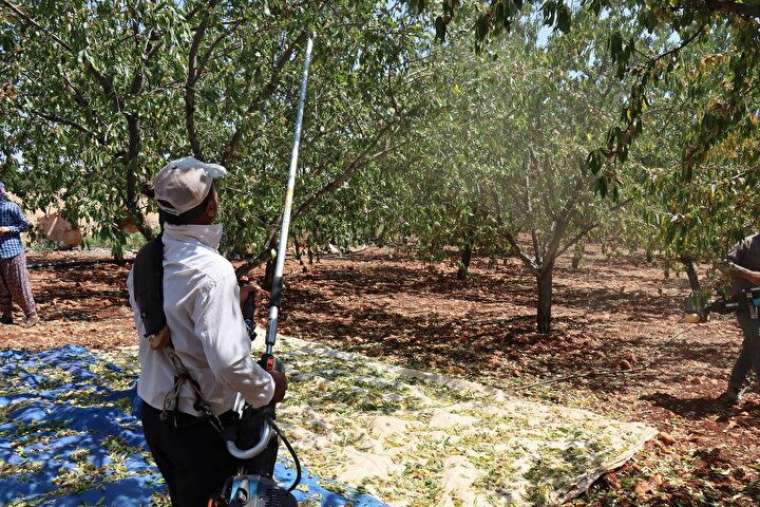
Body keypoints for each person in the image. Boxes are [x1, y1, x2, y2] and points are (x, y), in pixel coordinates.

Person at [127, 157, 287, 506]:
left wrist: (235, 307)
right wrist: (269, 388)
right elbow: (229, 365)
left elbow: (172, 326)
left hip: (156, 416)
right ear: (210, 207)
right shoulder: (212, 273)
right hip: (197, 429)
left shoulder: (146, 261)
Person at [722, 233, 760, 405]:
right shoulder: (747, 243)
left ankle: (734, 388)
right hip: (746, 303)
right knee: (756, 340)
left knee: (751, 345)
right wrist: (750, 275)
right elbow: (725, 265)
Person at [0, 181, 39, 327]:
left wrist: (7, 229)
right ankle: (6, 315)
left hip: (12, 252)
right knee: (2, 288)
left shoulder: (11, 207)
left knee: (18, 285)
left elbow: (24, 225)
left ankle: (31, 315)